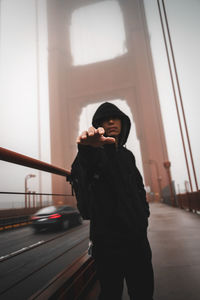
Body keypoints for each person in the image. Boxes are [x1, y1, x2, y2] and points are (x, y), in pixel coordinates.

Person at [71, 102, 154, 300]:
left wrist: (143, 215)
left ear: (123, 123)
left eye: (115, 118)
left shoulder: (128, 156)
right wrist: (87, 151)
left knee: (143, 293)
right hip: (107, 244)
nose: (110, 121)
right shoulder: (91, 153)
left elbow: (138, 188)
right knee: (110, 294)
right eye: (104, 120)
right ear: (98, 125)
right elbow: (88, 170)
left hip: (137, 240)